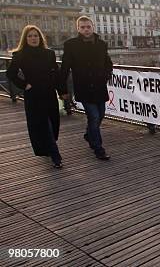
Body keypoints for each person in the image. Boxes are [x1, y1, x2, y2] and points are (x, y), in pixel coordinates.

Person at [7, 25, 63, 168]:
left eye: (36, 35)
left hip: (49, 93)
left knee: (53, 124)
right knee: (43, 125)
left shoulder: (49, 53)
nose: (33, 38)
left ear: (40, 37)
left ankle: (48, 148)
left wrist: (62, 91)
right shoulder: (20, 55)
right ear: (25, 39)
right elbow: (10, 73)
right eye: (30, 36)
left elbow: (56, 74)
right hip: (33, 96)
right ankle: (56, 156)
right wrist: (24, 85)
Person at [59, 16, 112, 160]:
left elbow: (108, 63)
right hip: (84, 87)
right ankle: (98, 148)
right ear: (78, 29)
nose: (86, 30)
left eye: (88, 27)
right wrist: (62, 90)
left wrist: (106, 75)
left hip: (99, 87)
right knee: (94, 117)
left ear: (92, 27)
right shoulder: (71, 45)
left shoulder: (101, 44)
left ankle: (89, 135)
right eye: (82, 27)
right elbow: (64, 69)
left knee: (100, 115)